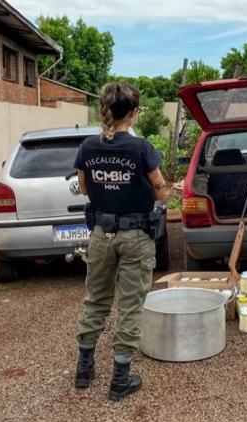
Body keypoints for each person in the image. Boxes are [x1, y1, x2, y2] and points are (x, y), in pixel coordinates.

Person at [73, 82, 167, 401]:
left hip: (100, 235)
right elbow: (160, 189)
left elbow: (84, 189)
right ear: (133, 113)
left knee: (96, 299)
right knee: (129, 305)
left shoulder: (88, 147)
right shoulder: (142, 148)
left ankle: (84, 369)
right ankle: (120, 379)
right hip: (135, 236)